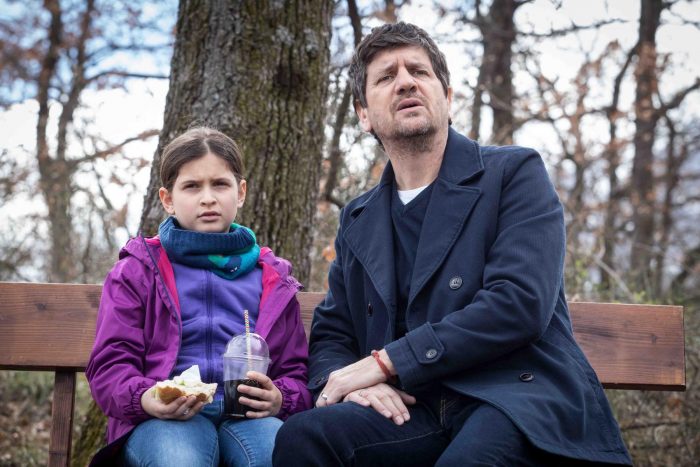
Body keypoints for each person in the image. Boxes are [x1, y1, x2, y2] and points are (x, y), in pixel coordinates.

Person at [273, 22, 632, 466]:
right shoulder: (358, 218)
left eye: (419, 72)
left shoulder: (513, 174)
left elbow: (519, 303)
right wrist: (352, 383)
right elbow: (333, 332)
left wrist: (386, 362)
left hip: (513, 398)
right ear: (363, 114)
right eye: (386, 77)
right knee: (304, 437)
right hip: (414, 409)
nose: (406, 82)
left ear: (447, 96)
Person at [86, 127, 311, 467]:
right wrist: (146, 397)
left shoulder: (271, 277)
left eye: (220, 184)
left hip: (250, 418)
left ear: (240, 192)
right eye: (192, 186)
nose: (208, 198)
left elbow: (295, 371)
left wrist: (281, 398)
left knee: (276, 456)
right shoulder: (138, 271)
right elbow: (110, 366)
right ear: (167, 199)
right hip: (164, 419)